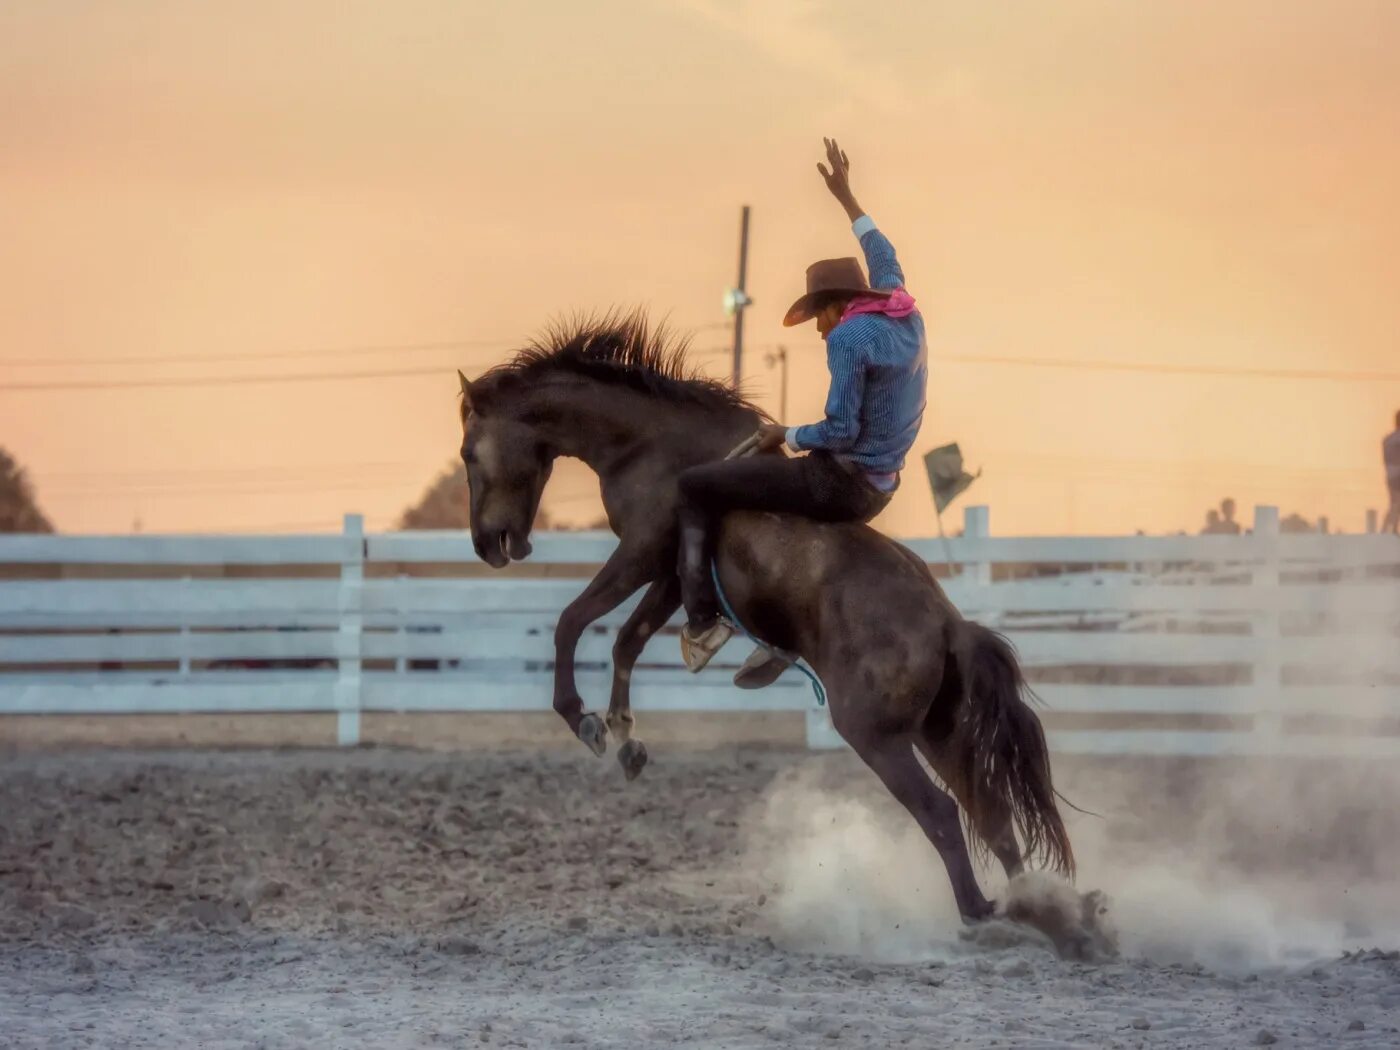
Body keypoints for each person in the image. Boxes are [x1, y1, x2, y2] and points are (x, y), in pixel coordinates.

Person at [676, 137, 928, 671]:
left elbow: (840, 429)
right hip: (883, 485)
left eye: (819, 315)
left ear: (838, 307)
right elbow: (882, 250)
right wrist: (846, 196)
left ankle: (708, 623)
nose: (818, 330)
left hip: (842, 482)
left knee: (695, 486)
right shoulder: (902, 308)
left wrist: (784, 434)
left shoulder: (849, 340)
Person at [1383, 409, 1400, 534]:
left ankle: (1388, 529)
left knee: (1394, 503)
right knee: (1396, 504)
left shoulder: (1387, 439)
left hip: (1390, 475)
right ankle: (1387, 530)